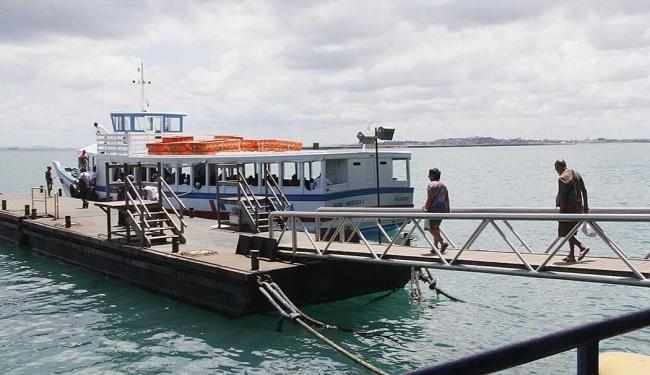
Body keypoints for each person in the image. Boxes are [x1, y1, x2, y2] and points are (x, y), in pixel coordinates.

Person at [555, 159, 590, 262]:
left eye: (556, 169)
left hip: (568, 210)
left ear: (558, 167)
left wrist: (561, 215)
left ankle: (582, 247)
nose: (556, 171)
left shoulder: (562, 178)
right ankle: (571, 255)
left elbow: (563, 198)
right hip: (579, 208)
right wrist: (586, 206)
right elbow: (584, 190)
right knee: (571, 232)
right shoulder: (577, 174)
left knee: (564, 232)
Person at [423, 168, 450, 254]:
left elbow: (430, 199)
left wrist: (425, 208)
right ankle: (435, 247)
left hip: (433, 210)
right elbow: (447, 198)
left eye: (429, 175)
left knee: (430, 228)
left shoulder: (431, 185)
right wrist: (448, 210)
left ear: (433, 176)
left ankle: (442, 243)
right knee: (436, 227)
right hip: (442, 209)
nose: (428, 176)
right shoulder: (444, 185)